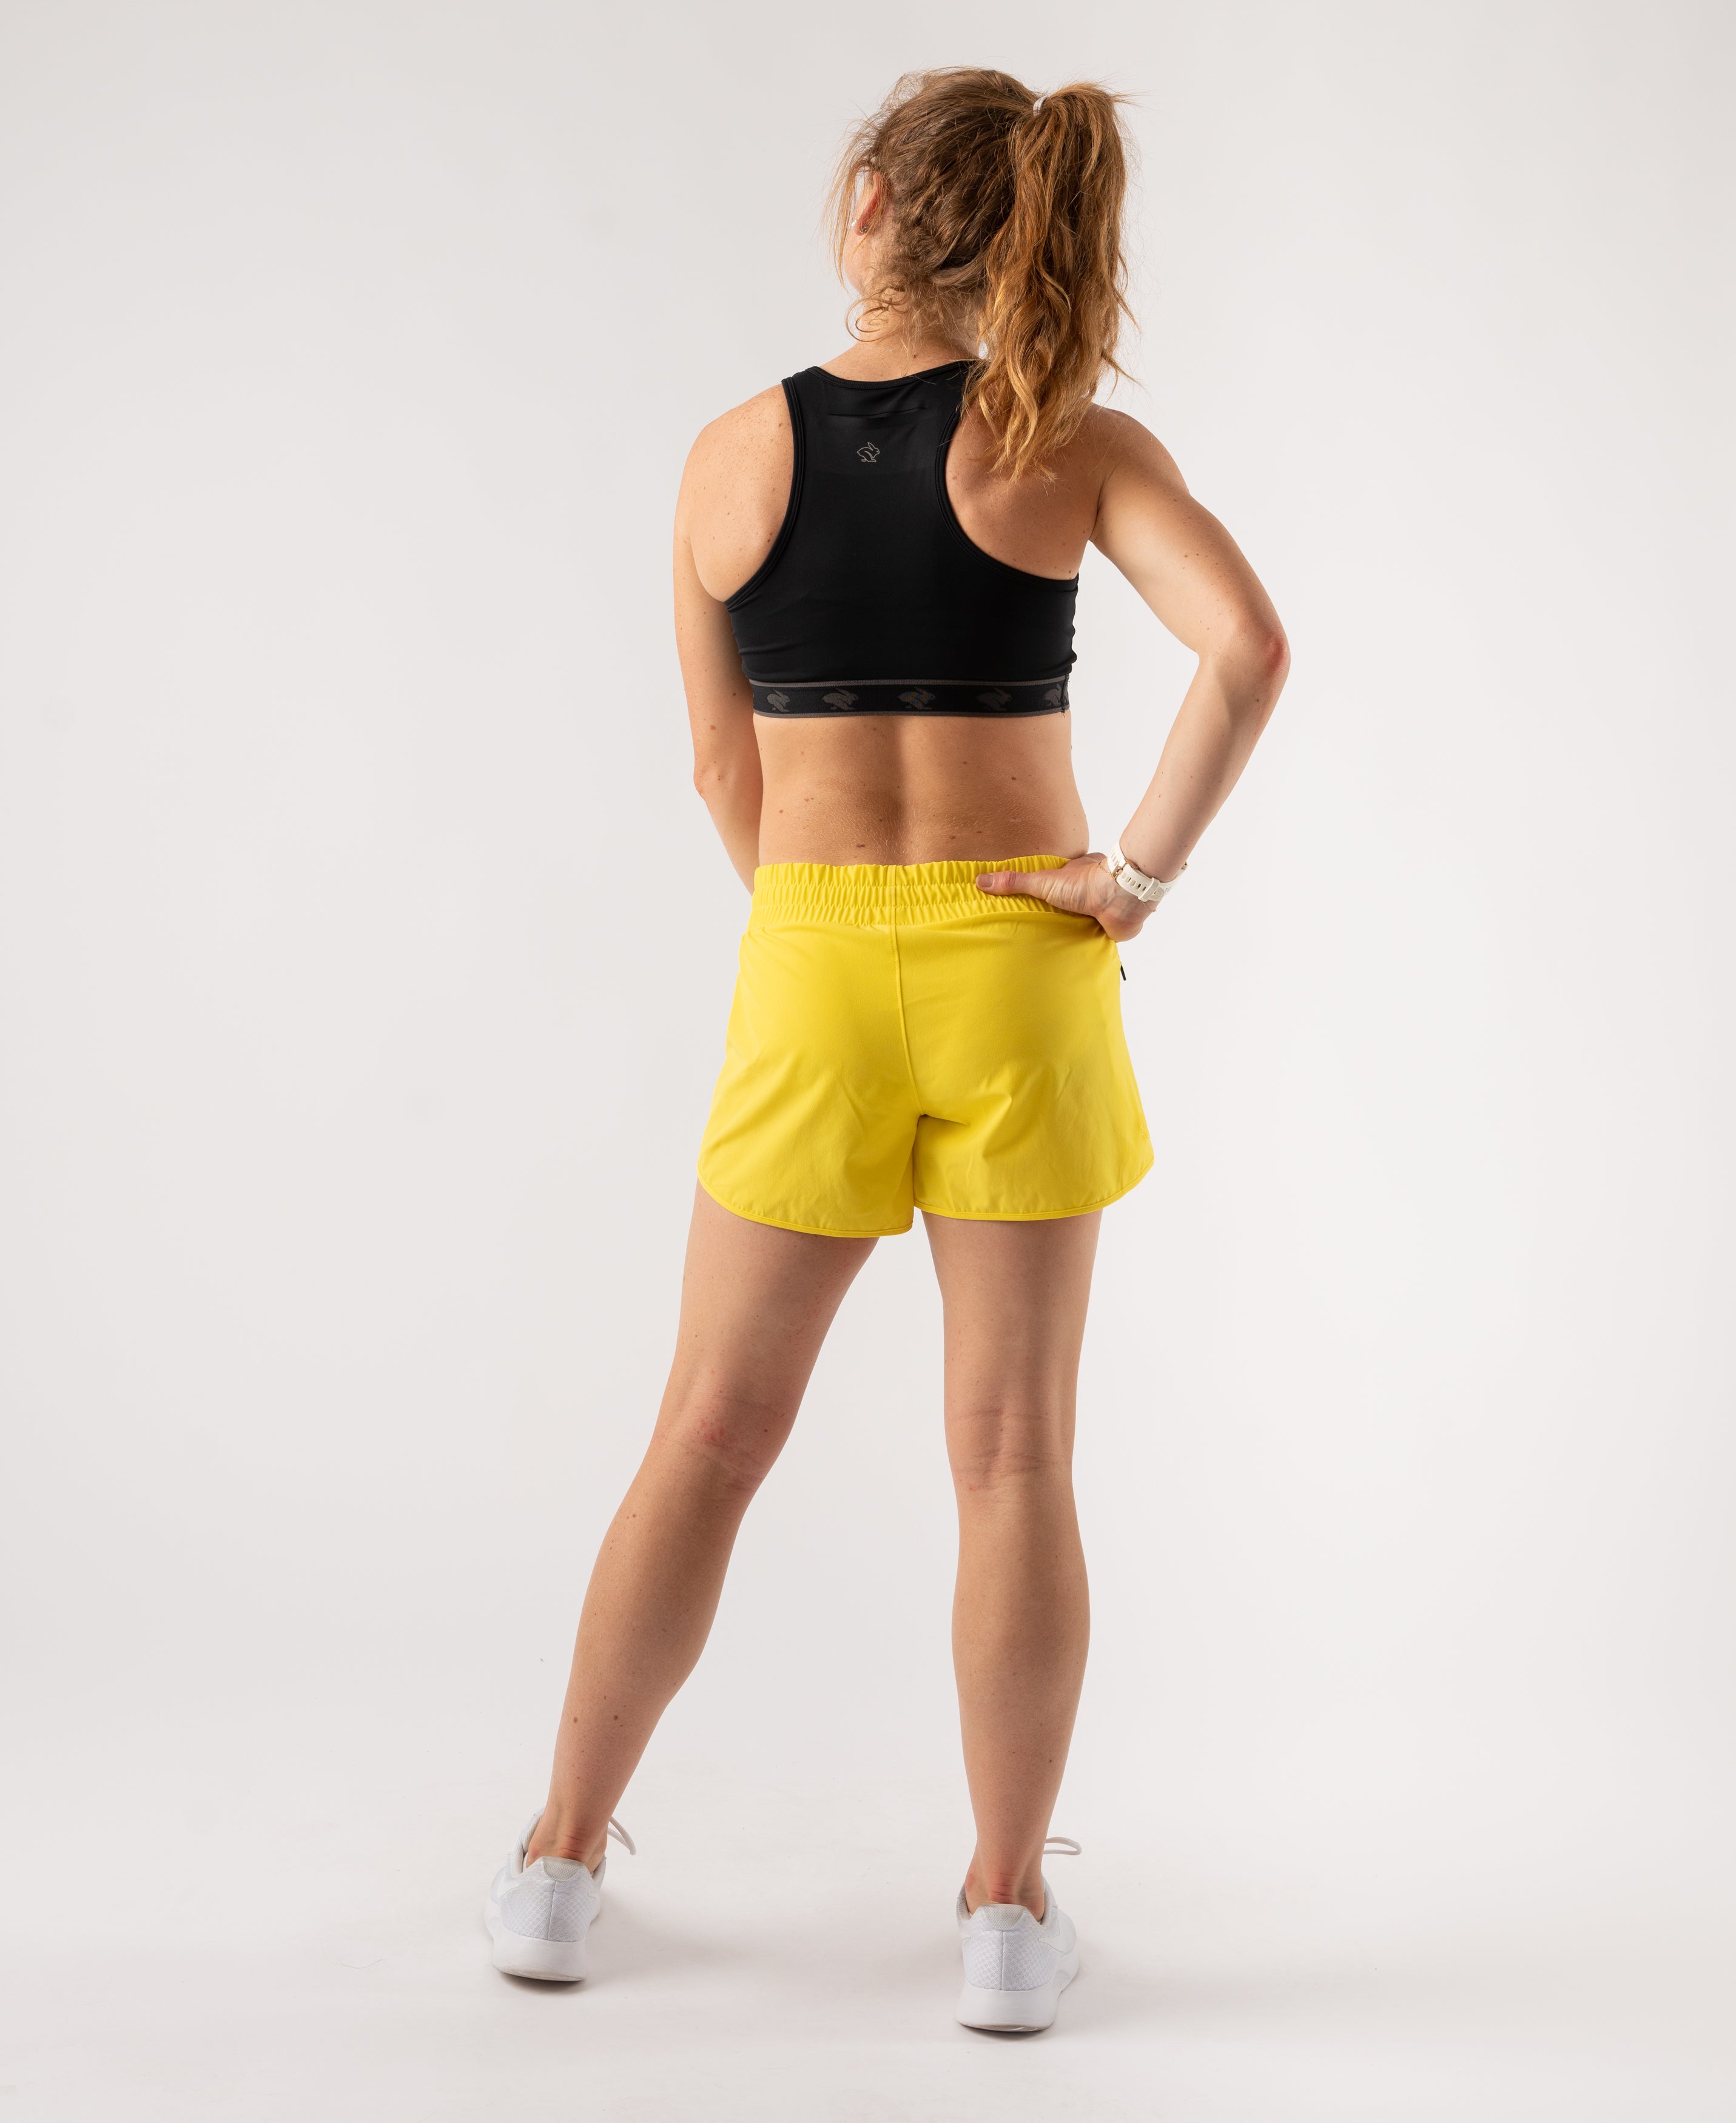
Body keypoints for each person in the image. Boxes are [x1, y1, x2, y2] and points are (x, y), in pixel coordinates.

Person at [483, 66, 1288, 2032]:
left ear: (864, 204)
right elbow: (1249, 648)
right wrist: (1130, 881)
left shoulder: (724, 457)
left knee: (707, 1430)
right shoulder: (1069, 442)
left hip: (814, 957)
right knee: (1011, 1453)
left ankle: (560, 1865)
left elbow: (719, 765)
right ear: (1018, 237)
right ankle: (1008, 1911)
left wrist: (819, 939)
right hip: (1024, 957)